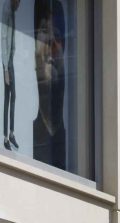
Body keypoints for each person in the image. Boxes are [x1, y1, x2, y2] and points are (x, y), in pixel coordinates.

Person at [32, 0, 67, 168]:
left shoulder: (75, 141)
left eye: (57, 35)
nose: (52, 41)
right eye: (44, 30)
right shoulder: (28, 135)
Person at [0, 0, 21, 149]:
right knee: (8, 97)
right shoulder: (7, 9)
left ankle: (10, 134)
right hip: (6, 61)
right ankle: (6, 137)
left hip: (10, 60)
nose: (19, 5)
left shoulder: (12, 10)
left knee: (12, 96)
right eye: (18, 2)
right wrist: (6, 69)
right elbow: (4, 38)